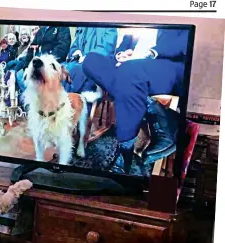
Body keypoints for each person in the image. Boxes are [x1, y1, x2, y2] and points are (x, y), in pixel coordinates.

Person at [82, 28, 189, 173]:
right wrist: (122, 54)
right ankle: (159, 115)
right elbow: (125, 44)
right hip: (132, 64)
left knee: (129, 72)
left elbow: (183, 42)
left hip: (169, 63)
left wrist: (147, 54)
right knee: (91, 60)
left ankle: (125, 151)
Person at [61, 27, 118, 94]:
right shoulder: (83, 25)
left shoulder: (109, 26)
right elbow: (75, 44)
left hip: (95, 64)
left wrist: (87, 58)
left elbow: (107, 48)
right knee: (61, 70)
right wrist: (76, 51)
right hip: (77, 61)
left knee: (77, 72)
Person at [16, 26, 72, 91]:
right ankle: (34, 97)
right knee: (20, 75)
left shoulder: (62, 28)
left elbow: (63, 49)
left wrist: (47, 60)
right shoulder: (41, 30)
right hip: (37, 64)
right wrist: (26, 67)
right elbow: (31, 49)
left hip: (53, 63)